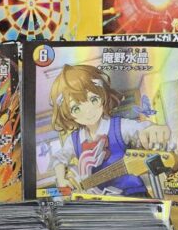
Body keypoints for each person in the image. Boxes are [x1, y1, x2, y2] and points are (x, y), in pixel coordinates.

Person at [47, 64, 170, 196]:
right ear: (68, 114)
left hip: (132, 195)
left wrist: (152, 129)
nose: (88, 111)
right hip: (100, 201)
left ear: (103, 96)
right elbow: (58, 158)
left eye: (93, 99)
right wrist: (61, 179)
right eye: (76, 109)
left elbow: (140, 128)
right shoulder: (74, 140)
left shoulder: (118, 126)